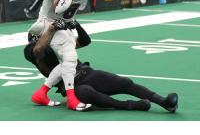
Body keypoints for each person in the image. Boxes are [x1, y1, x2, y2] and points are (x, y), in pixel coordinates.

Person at [28, 0, 154, 111]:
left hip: (64, 24)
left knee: (68, 62)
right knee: (70, 57)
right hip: (48, 23)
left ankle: (41, 93)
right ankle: (72, 99)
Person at [24, 19, 178, 113]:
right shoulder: (31, 50)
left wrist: (75, 24)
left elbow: (85, 41)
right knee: (86, 93)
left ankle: (163, 102)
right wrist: (52, 29)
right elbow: (39, 50)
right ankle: (129, 105)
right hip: (73, 86)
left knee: (124, 83)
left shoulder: (58, 43)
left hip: (87, 73)